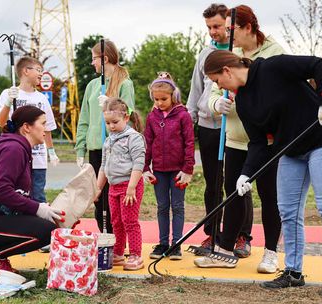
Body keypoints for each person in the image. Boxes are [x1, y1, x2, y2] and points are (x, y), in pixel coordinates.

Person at [204, 50, 322, 296]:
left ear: (227, 71)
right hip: (292, 150)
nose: (218, 86)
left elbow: (320, 65)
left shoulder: (273, 67)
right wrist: (246, 174)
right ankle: (293, 272)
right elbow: (258, 143)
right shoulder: (243, 102)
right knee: (288, 210)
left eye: (216, 80)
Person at [194, 5, 285, 272]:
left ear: (248, 28)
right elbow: (213, 91)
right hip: (235, 138)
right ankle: (224, 250)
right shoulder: (229, 53)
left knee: (269, 196)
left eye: (232, 30)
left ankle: (270, 253)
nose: (227, 36)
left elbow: (277, 93)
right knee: (233, 193)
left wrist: (247, 99)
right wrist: (215, 106)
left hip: (266, 141)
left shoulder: (273, 52)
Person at [0, 105, 64, 277]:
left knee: (50, 226)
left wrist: (41, 208)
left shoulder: (19, 148)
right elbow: (0, 190)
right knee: (47, 231)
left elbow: (17, 194)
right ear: (27, 127)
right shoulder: (14, 149)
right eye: (43, 123)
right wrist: (38, 209)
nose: (46, 129)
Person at [75, 39, 135, 234]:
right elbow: (84, 117)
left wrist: (111, 103)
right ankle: (104, 239)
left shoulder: (125, 83)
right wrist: (80, 148)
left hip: (116, 148)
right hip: (95, 147)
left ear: (105, 58)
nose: (92, 63)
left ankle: (116, 241)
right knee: (98, 198)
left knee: (114, 199)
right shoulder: (92, 85)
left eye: (94, 59)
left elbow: (130, 112)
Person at [186, 3, 230, 251]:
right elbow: (196, 89)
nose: (213, 31)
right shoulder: (205, 54)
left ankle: (240, 235)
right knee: (212, 183)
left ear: (228, 24)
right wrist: (190, 119)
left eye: (217, 26)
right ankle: (212, 232)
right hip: (208, 125)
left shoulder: (238, 49)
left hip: (233, 126)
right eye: (209, 27)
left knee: (236, 183)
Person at [143, 72, 195, 260]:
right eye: (156, 99)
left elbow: (190, 143)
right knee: (162, 207)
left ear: (173, 96)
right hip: (159, 171)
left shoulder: (183, 116)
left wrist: (188, 169)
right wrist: (144, 168)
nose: (159, 103)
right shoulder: (152, 117)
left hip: (178, 171)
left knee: (178, 206)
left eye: (163, 99)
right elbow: (147, 143)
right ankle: (163, 243)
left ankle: (177, 244)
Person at [0, 56, 59, 205]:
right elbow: (0, 122)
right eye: (38, 70)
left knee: (38, 198)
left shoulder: (42, 98)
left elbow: (47, 127)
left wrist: (51, 151)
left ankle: (39, 227)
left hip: (37, 159)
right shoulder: (9, 93)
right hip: (15, 157)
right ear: (25, 71)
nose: (41, 74)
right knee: (15, 198)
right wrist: (8, 102)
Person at [94, 98, 145, 271]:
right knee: (116, 221)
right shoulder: (108, 140)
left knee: (129, 220)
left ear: (126, 117)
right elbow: (103, 166)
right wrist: (98, 188)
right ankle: (118, 252)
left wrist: (131, 187)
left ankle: (136, 254)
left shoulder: (134, 138)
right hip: (114, 187)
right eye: (107, 123)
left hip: (130, 186)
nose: (111, 126)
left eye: (115, 122)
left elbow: (139, 164)